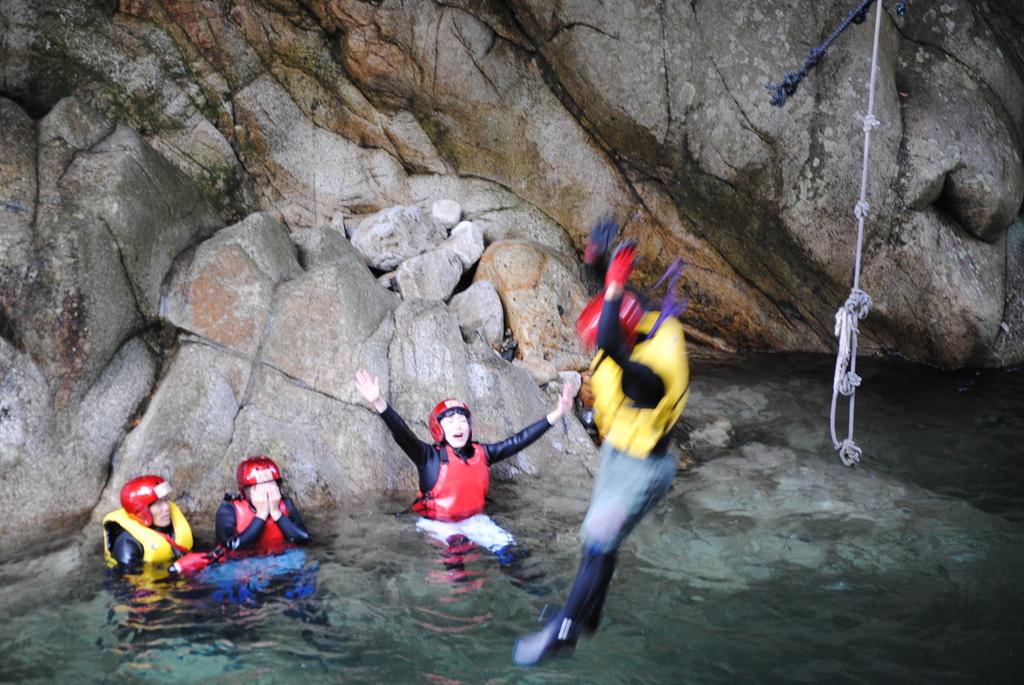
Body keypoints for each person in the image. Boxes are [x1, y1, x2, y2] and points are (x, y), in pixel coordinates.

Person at [513, 235, 690, 666]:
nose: (594, 348)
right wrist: (600, 264)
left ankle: (565, 632)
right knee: (600, 545)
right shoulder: (640, 324)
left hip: (643, 469)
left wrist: (611, 290)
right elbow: (615, 316)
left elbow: (611, 340)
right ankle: (586, 616)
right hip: (619, 457)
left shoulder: (650, 372)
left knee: (597, 544)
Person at [354, 369, 574, 556]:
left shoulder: (484, 453)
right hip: (437, 524)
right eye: (450, 422)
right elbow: (402, 432)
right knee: (456, 569)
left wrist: (557, 414)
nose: (458, 426)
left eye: (462, 421)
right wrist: (378, 402)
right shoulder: (427, 457)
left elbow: (519, 441)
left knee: (513, 553)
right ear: (438, 429)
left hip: (474, 521)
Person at [215, 455, 311, 555]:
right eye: (260, 487)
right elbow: (231, 546)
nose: (267, 491)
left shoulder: (286, 504)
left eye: (272, 484)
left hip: (282, 558)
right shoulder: (228, 510)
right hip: (245, 563)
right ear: (246, 491)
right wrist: (261, 515)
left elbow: (304, 539)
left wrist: (276, 513)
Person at [102, 475, 194, 570]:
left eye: (166, 500)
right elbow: (127, 582)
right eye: (158, 504)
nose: (166, 508)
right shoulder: (127, 544)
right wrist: (177, 568)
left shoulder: (171, 526)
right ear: (141, 511)